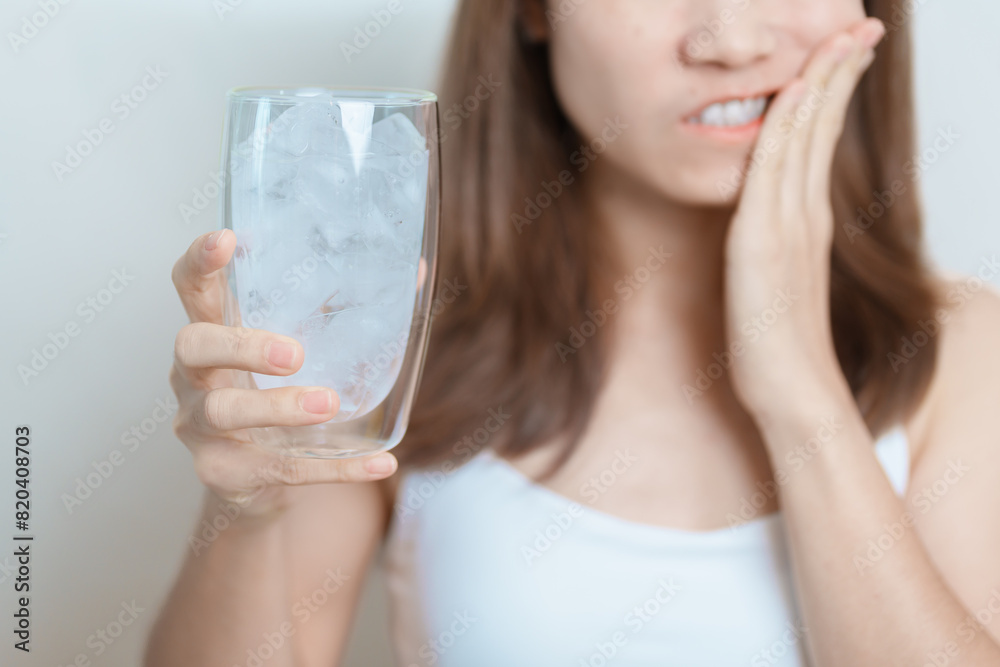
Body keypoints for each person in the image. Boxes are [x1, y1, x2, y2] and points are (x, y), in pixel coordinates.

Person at [145, 0, 1000, 665]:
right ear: (532, 10)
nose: (732, 39)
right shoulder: (389, 338)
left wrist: (802, 394)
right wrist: (246, 510)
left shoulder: (964, 350)